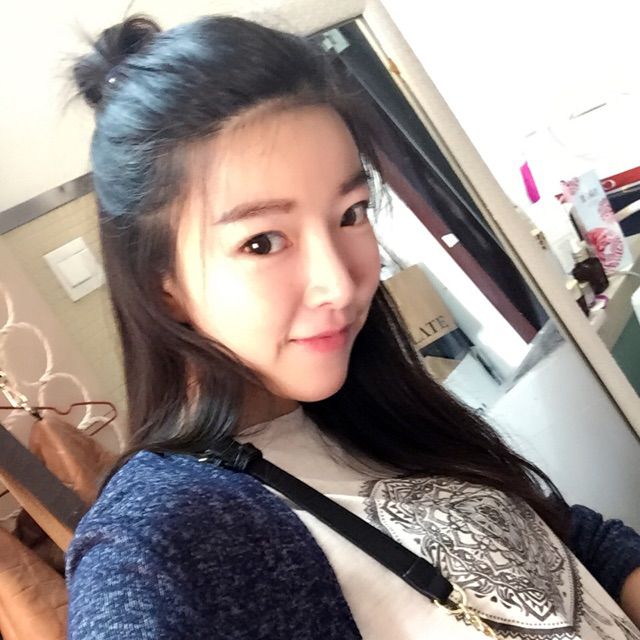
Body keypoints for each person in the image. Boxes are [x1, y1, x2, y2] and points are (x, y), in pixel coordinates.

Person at [67, 14, 640, 639]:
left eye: (351, 213)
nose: (340, 284)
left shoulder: (375, 413)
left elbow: (569, 546)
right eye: (262, 241)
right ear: (161, 281)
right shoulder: (157, 543)